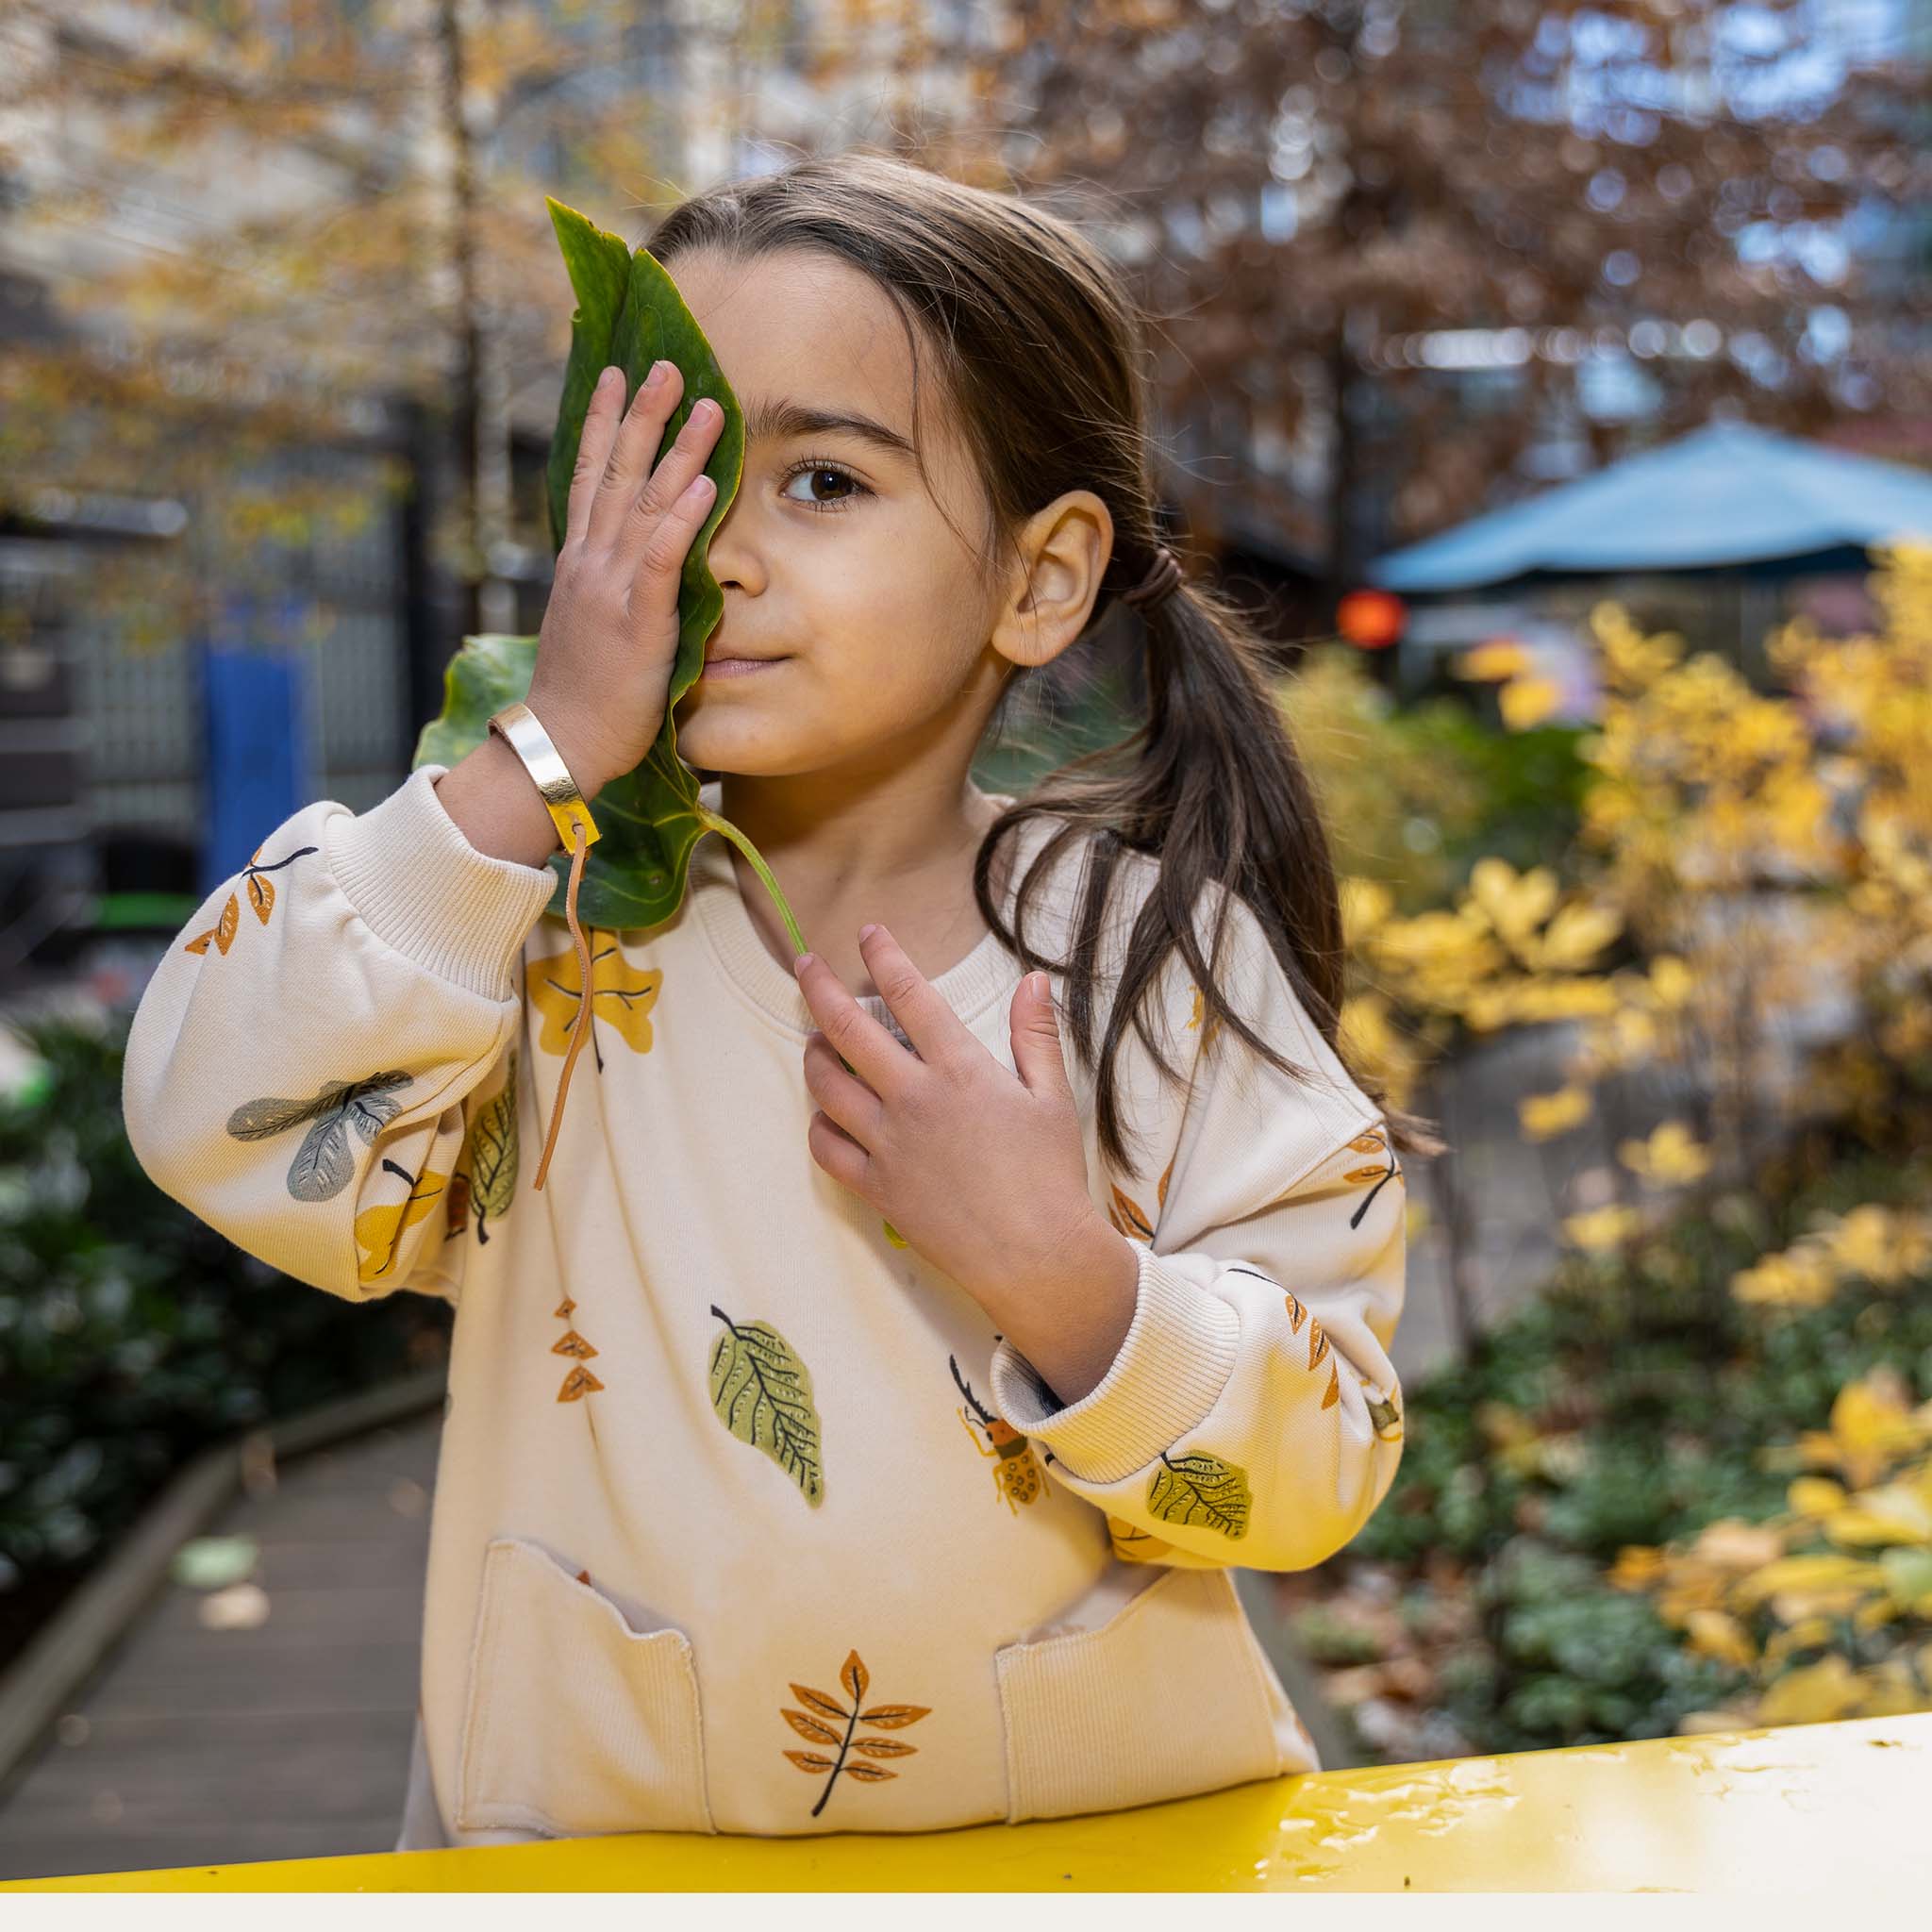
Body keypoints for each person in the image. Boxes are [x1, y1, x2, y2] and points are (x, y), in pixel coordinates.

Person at [122, 151, 1424, 1849]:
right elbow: (215, 1113)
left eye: (821, 480)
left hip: (1098, 1863)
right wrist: (535, 766)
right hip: (593, 1859)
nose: (717, 555)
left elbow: (1322, 1476)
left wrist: (1066, 1281)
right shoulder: (532, 926)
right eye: (677, 477)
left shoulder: (1148, 964)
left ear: (1039, 580)